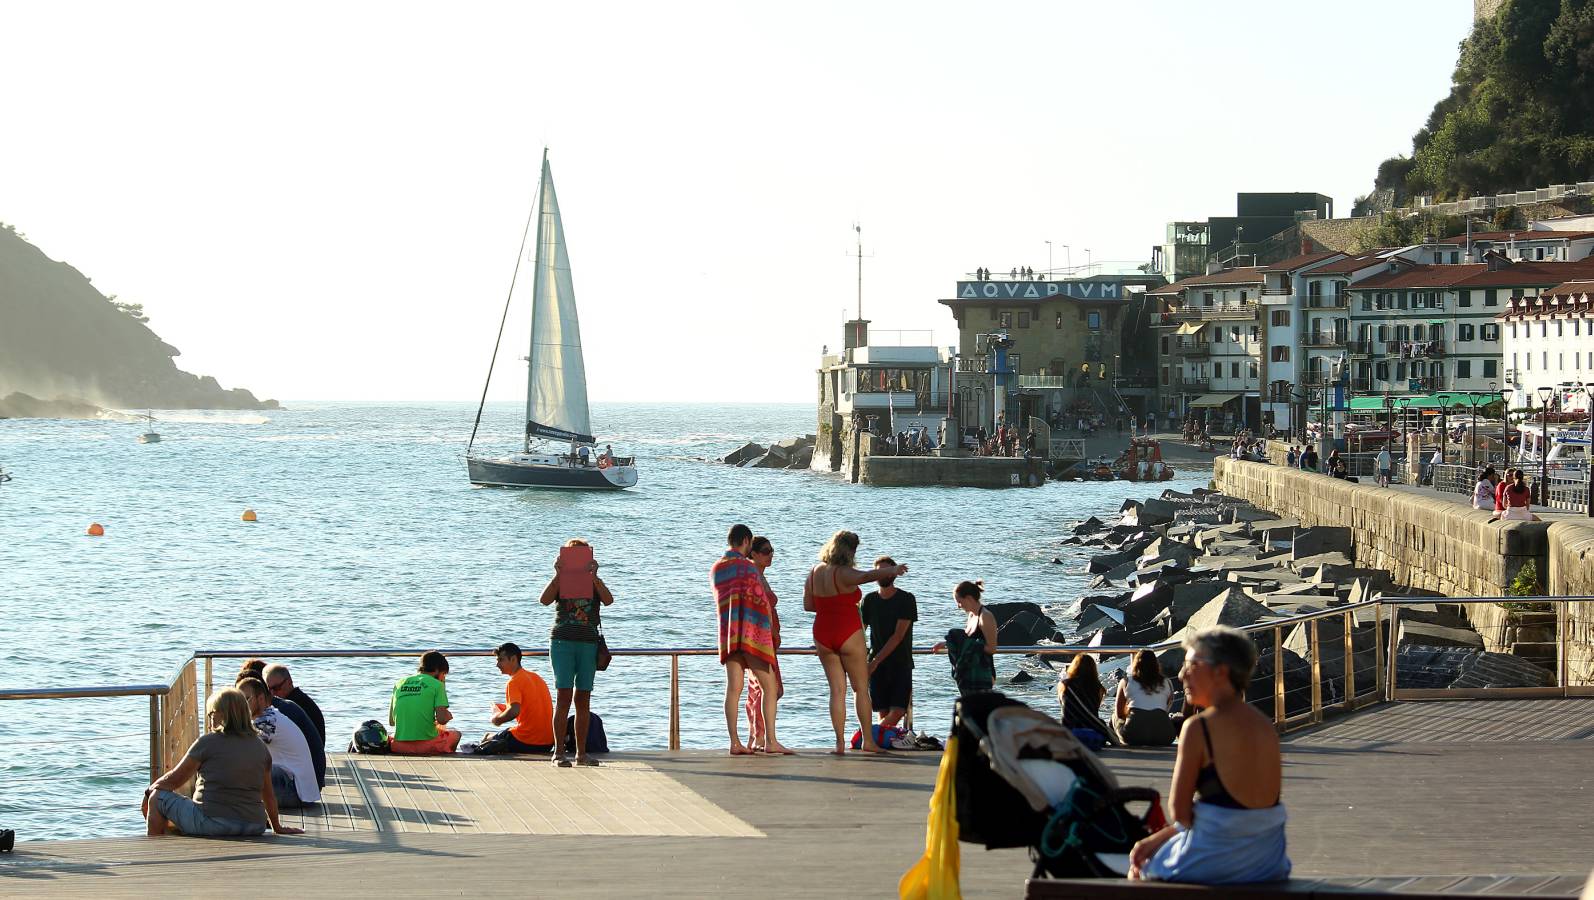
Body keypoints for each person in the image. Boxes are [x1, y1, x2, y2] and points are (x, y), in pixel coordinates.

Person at [1130, 626, 1289, 884]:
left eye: (1192, 665)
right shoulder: (1264, 726)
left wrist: (1155, 841)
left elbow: (1180, 813)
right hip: (1268, 861)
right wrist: (1160, 837)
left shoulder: (1199, 728)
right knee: (1153, 848)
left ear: (1220, 672)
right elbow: (1247, 813)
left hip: (1217, 862)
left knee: (1139, 867)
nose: (1182, 674)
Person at [143, 688, 302, 839]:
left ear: (223, 715)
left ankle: (156, 849)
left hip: (212, 823)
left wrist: (149, 792)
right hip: (254, 825)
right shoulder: (260, 747)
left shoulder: (207, 743)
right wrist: (277, 827)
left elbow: (174, 780)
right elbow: (268, 795)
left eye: (211, 714)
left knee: (157, 798)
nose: (209, 719)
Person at [805, 530, 908, 755]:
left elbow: (808, 605)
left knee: (836, 691)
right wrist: (892, 570)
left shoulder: (814, 572)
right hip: (848, 630)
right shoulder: (845, 573)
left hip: (822, 632)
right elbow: (865, 576)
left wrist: (829, 606)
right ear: (850, 551)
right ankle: (868, 741)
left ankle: (839, 744)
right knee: (860, 689)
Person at [539, 539, 614, 767]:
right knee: (563, 696)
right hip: (562, 641)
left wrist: (594, 576)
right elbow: (544, 600)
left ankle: (581, 754)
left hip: (587, 643)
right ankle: (558, 753)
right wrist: (558, 574)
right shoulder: (561, 580)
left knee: (583, 698)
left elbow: (609, 600)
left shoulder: (593, 581)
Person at [714, 525, 787, 756]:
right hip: (752, 636)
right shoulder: (748, 567)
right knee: (770, 687)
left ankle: (735, 742)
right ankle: (770, 741)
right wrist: (769, 634)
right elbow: (761, 603)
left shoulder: (717, 568)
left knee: (733, 689)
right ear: (746, 541)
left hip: (729, 635)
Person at [235, 667, 324, 788]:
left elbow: (245, 749)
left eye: (246, 699)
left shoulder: (271, 717)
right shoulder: (276, 709)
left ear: (260, 697)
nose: (241, 705)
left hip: (300, 785)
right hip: (306, 779)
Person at [861, 555, 917, 733]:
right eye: (879, 572)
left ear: (893, 573)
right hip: (875, 664)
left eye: (886, 571)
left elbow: (898, 636)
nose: (882, 575)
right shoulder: (869, 600)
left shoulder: (906, 599)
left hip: (900, 662)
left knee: (899, 710)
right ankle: (879, 742)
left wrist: (875, 662)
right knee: (882, 710)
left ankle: (867, 736)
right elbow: (860, 632)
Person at [742, 535, 786, 753]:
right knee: (769, 688)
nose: (771, 555)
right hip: (761, 639)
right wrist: (772, 632)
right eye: (766, 551)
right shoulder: (754, 576)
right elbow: (761, 608)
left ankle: (757, 735)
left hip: (762, 638)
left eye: (772, 551)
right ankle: (762, 736)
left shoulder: (758, 575)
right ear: (754, 553)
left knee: (758, 688)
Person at [473, 642, 555, 755]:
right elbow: (529, 707)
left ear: (513, 659)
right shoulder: (536, 677)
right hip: (547, 743)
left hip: (526, 741)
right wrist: (505, 708)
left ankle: (491, 738)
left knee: (487, 739)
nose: (497, 665)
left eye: (501, 660)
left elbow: (514, 711)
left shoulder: (514, 682)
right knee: (506, 734)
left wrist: (496, 719)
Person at [389, 651, 461, 755]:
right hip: (427, 747)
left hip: (398, 746)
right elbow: (442, 720)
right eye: (443, 674)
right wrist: (448, 716)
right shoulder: (437, 685)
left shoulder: (399, 683)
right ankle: (446, 756)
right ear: (437, 670)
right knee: (456, 734)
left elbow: (392, 722)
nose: (443, 678)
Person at [933, 580, 997, 695]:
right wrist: (947, 643)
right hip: (969, 672)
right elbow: (967, 640)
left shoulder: (986, 616)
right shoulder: (971, 616)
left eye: (959, 602)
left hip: (982, 673)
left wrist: (971, 645)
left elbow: (992, 648)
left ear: (969, 598)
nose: (958, 606)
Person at [1113, 649, 1177, 746]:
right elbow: (1166, 708)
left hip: (1133, 737)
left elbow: (1119, 714)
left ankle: (1113, 743)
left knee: (1114, 717)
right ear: (1156, 664)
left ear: (1136, 664)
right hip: (1165, 736)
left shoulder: (1126, 681)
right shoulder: (1167, 682)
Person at [263, 664, 325, 755]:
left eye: (276, 688)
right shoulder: (301, 700)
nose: (272, 694)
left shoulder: (290, 707)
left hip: (308, 759)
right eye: (268, 689)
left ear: (289, 682)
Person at [1057, 653, 1114, 745]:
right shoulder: (1098, 687)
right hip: (1093, 731)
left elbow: (1063, 705)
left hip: (1070, 731)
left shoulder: (1064, 685)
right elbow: (1094, 709)